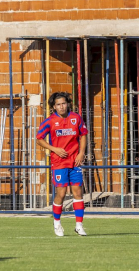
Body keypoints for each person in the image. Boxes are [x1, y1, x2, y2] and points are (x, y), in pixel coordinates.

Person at [36, 92, 88, 237]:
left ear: (68, 104)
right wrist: (54, 149)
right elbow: (39, 138)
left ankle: (79, 225)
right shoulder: (50, 121)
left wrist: (81, 152)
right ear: (54, 107)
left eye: (64, 103)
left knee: (78, 192)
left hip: (75, 160)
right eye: (58, 104)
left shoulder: (75, 117)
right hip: (59, 162)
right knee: (62, 193)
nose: (62, 106)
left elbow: (83, 134)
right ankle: (57, 223)